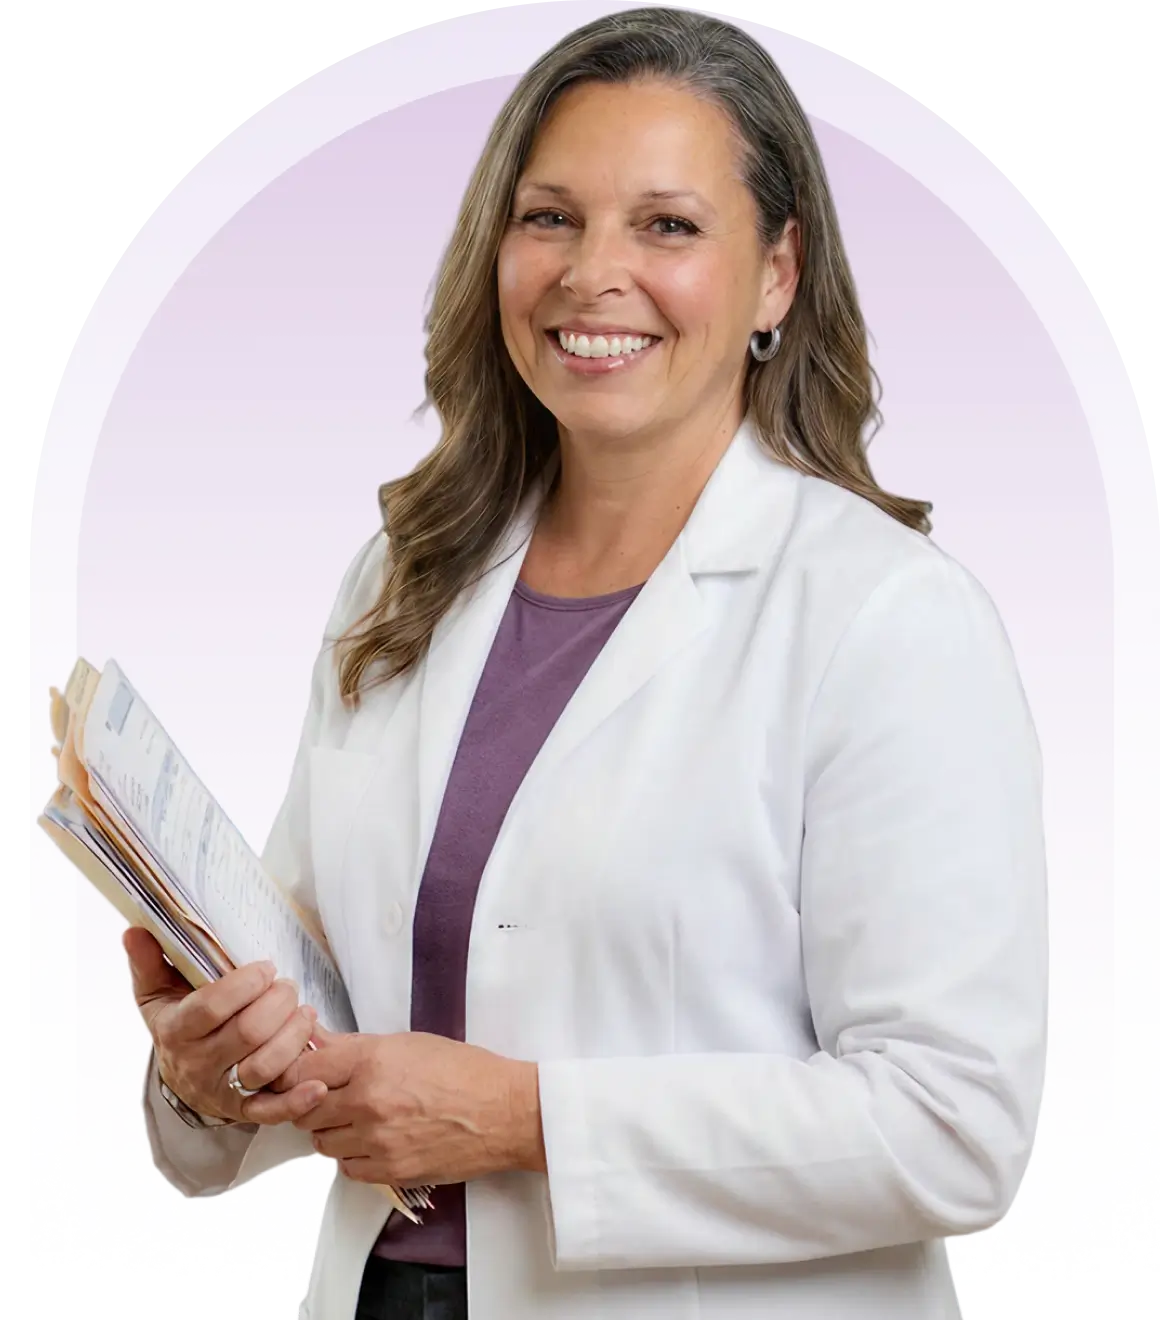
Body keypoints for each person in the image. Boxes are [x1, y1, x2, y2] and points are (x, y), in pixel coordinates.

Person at [122, 8, 1048, 1319]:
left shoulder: (885, 619)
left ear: (777, 274)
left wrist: (526, 1118)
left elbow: (956, 1123)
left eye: (667, 226)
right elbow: (328, 1006)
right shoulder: (402, 579)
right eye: (549, 217)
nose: (588, 273)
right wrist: (209, 1075)